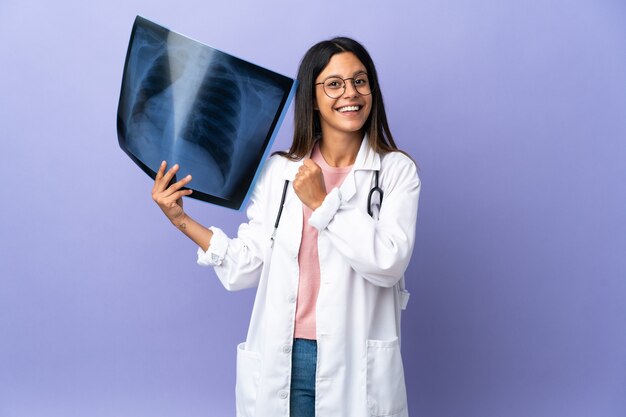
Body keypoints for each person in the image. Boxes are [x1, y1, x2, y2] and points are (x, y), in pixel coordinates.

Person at [151, 37, 421, 417]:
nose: (351, 93)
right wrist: (182, 220)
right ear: (312, 97)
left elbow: (387, 263)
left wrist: (322, 203)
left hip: (354, 358)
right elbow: (247, 267)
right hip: (284, 355)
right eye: (334, 83)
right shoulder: (280, 171)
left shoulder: (395, 171)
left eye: (361, 81)